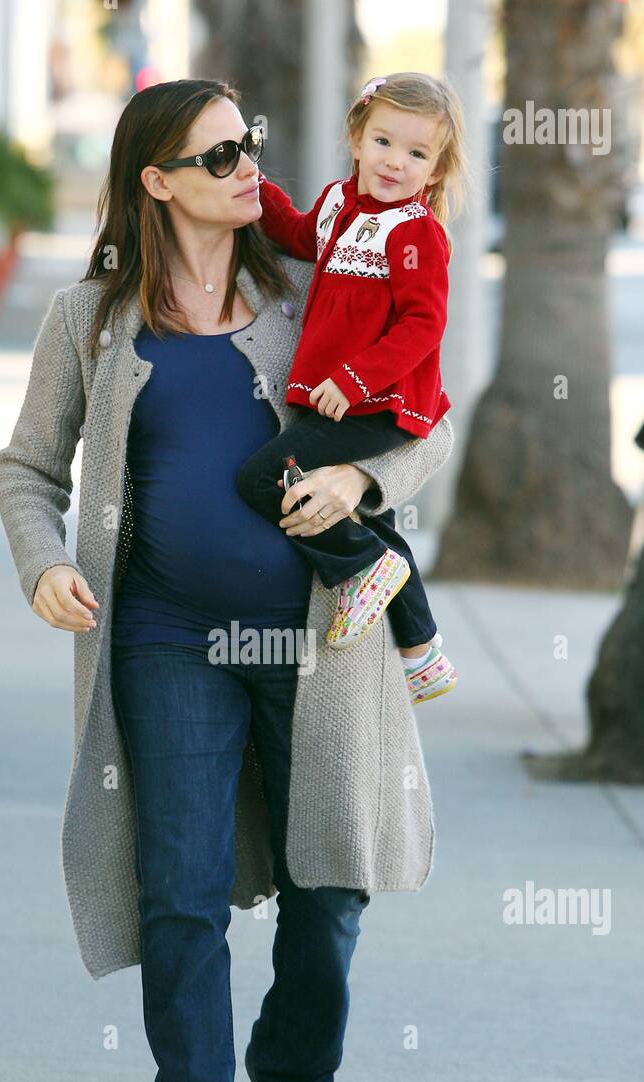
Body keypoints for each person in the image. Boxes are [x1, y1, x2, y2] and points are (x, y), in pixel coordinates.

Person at [0, 78, 454, 1082]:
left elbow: (422, 419)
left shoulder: (309, 285)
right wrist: (41, 562)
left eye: (246, 143)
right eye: (217, 156)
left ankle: (293, 1080)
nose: (249, 165)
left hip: (317, 646)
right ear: (156, 182)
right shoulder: (89, 319)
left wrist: (356, 478)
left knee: (328, 885)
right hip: (164, 639)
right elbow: (28, 468)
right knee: (180, 890)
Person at [235, 72, 466, 704]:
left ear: (436, 170)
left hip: (380, 399)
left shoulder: (414, 232)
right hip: (343, 395)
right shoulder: (339, 203)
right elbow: (296, 234)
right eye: (384, 142)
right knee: (373, 518)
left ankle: (360, 567)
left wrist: (355, 378)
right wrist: (253, 182)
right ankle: (422, 652)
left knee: (261, 478)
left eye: (417, 153)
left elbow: (423, 324)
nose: (396, 162)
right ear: (357, 139)